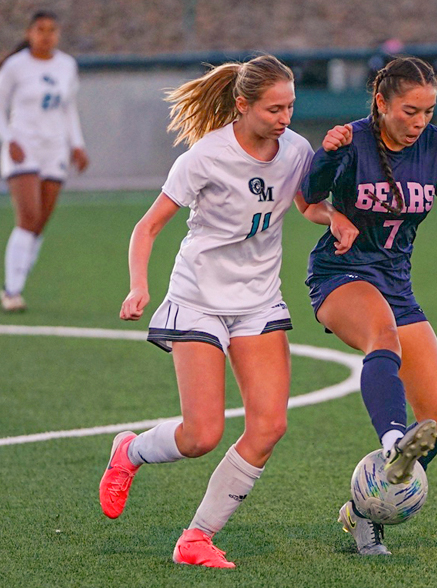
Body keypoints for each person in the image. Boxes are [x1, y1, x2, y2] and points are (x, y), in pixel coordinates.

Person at [98, 55, 350, 569]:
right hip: (198, 301)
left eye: (290, 107)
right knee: (201, 436)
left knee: (269, 426)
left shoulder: (297, 150)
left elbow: (304, 207)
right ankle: (129, 451)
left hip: (258, 302)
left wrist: (335, 219)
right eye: (274, 108)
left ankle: (196, 538)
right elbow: (147, 227)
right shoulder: (204, 157)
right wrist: (138, 287)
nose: (285, 118)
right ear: (242, 105)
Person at [301, 56, 437, 556]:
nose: (419, 122)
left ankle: (364, 509)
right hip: (341, 275)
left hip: (397, 285)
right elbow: (310, 195)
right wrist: (328, 156)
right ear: (381, 103)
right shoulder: (351, 139)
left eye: (428, 111)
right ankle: (394, 441)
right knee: (383, 336)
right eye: (409, 111)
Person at [0, 10, 89, 312]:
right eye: (40, 29)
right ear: (30, 33)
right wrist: (10, 139)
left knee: (40, 223)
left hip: (54, 148)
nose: (46, 35)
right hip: (24, 147)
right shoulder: (15, 66)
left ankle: (17, 277)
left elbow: (68, 109)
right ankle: (11, 291)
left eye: (52, 30)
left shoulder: (67, 65)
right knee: (28, 218)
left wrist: (77, 145)